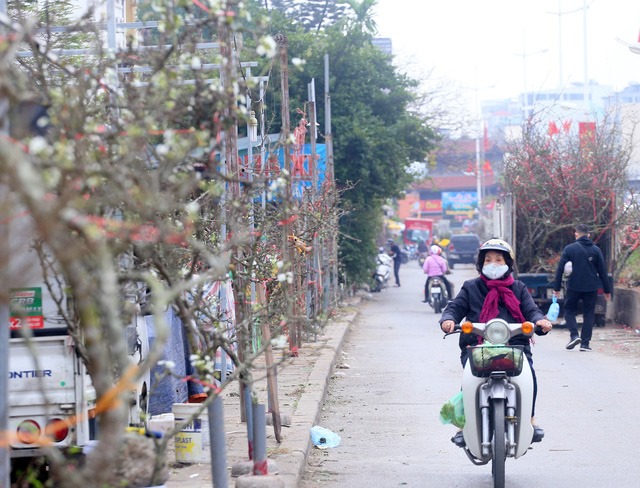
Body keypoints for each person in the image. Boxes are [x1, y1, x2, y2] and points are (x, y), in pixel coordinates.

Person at [439, 238, 553, 446]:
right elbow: (455, 307)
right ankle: (464, 426)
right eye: (488, 259)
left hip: (514, 347)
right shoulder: (471, 287)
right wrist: (448, 319)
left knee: (530, 378)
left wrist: (540, 321)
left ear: (508, 264)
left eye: (499, 260)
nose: (493, 264)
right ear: (481, 264)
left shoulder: (518, 288)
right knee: (469, 381)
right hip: (477, 347)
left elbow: (531, 310)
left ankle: (530, 419)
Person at [553, 224, 611, 352]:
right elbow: (602, 271)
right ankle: (585, 344)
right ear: (588, 235)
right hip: (591, 287)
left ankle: (574, 335)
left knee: (569, 310)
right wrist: (607, 290)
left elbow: (560, 269)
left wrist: (556, 287)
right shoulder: (596, 250)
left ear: (576, 234)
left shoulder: (569, 249)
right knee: (589, 313)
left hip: (574, 286)